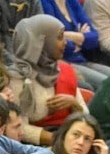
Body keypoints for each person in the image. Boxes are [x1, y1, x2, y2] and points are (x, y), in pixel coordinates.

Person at [7, 15, 88, 146]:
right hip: (35, 148)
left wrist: (73, 104)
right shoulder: (17, 77)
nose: (65, 42)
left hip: (69, 141)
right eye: (60, 37)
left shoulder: (64, 69)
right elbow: (19, 127)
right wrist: (60, 141)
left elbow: (86, 115)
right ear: (41, 42)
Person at [38, 0, 110, 91]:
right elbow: (54, 44)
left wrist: (68, 35)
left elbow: (95, 38)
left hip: (81, 59)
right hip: (61, 63)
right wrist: (81, 38)